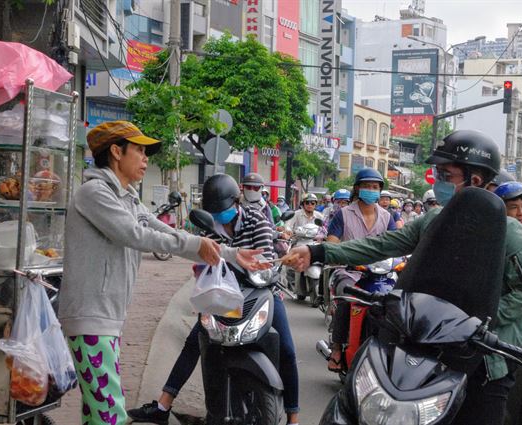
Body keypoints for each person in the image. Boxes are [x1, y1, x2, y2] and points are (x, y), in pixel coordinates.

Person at [283, 129, 522, 425]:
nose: (438, 180)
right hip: (433, 347)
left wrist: (477, 324)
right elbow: (381, 245)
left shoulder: (508, 233)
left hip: (486, 358)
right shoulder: (434, 220)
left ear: (474, 180)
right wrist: (317, 252)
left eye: (446, 174)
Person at [58, 121, 264, 425]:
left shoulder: (126, 196)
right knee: (110, 415)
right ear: (116, 151)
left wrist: (230, 253)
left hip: (107, 316)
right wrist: (198, 244)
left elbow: (161, 230)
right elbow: (136, 235)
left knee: (96, 414)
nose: (145, 159)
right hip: (90, 316)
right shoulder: (95, 193)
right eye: (139, 150)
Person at [128, 174, 301, 425]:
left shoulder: (258, 222)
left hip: (262, 294)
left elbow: (264, 264)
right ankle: (163, 405)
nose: (220, 215)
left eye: (224, 209)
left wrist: (241, 265)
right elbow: (199, 258)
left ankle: (294, 418)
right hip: (223, 298)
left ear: (237, 201)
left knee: (287, 349)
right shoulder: (209, 227)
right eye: (214, 211)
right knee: (194, 341)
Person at [324, 168, 394, 370]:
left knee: (397, 299)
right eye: (366, 186)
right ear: (357, 188)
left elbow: (398, 244)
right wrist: (342, 254)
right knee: (348, 297)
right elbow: (332, 244)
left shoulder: (387, 217)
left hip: (381, 274)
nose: (371, 190)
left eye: (375, 187)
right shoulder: (343, 214)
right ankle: (337, 348)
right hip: (348, 271)